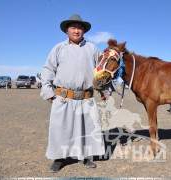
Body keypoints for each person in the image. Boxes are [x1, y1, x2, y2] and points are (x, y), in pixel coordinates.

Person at [40, 14, 105, 173]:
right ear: (67, 31)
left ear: (84, 31)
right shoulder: (58, 48)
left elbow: (101, 72)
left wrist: (104, 90)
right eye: (73, 28)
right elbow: (48, 69)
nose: (77, 31)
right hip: (64, 98)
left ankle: (88, 156)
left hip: (86, 98)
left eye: (80, 28)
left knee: (88, 128)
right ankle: (59, 158)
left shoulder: (92, 49)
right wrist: (48, 91)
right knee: (61, 129)